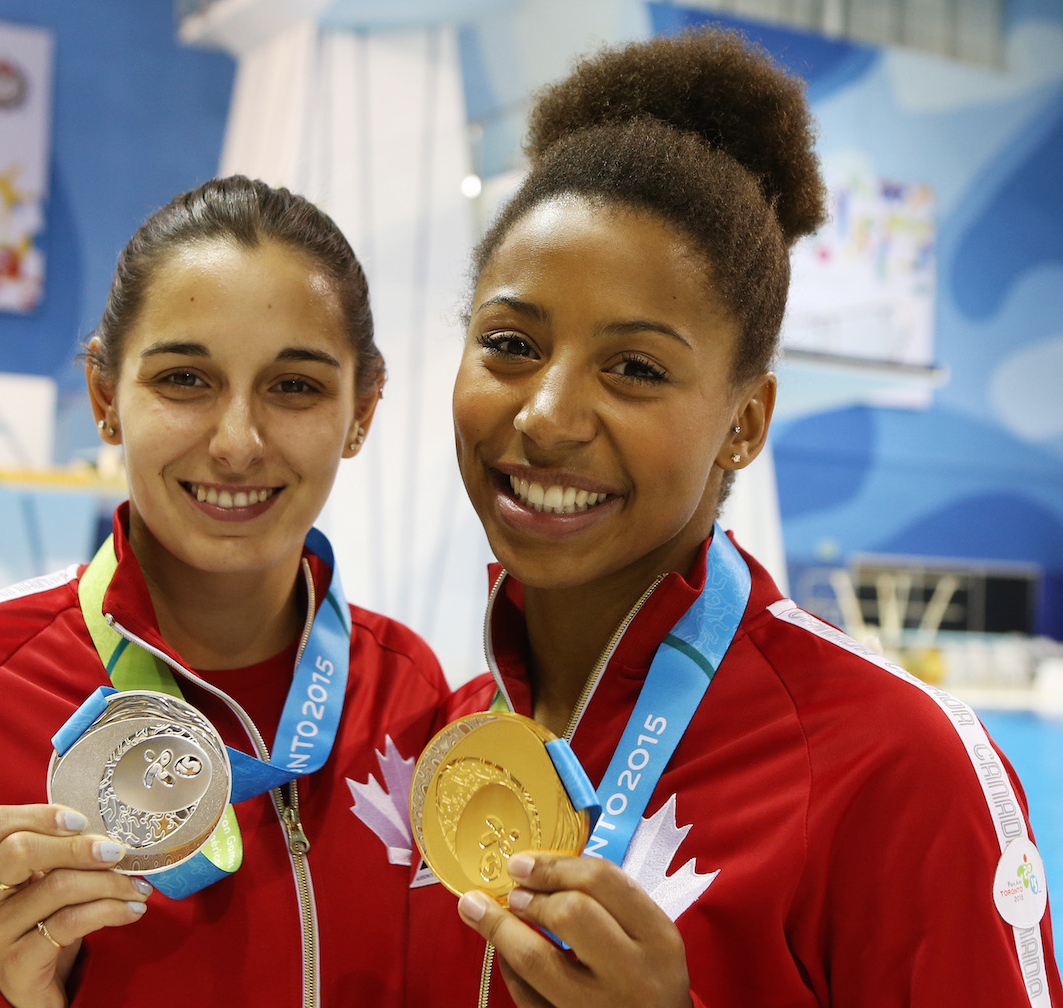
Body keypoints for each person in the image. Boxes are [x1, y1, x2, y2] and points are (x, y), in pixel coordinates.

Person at [407, 28, 1062, 1008]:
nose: (544, 416)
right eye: (509, 342)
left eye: (633, 367)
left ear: (743, 424)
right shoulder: (455, 738)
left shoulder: (896, 767)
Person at [0, 176, 448, 1007]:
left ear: (363, 409)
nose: (238, 442)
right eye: (184, 379)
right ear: (106, 396)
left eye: (296, 388)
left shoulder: (411, 695)